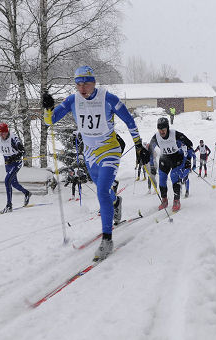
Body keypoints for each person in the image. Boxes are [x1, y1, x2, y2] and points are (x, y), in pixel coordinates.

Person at [42, 66, 149, 261]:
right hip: (90, 153)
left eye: (86, 83)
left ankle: (107, 239)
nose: (82, 88)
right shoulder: (73, 100)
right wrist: (48, 108)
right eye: (78, 84)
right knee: (104, 190)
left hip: (109, 149)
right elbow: (50, 120)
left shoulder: (108, 98)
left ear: (94, 82)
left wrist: (139, 145)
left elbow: (129, 120)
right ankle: (116, 202)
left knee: (101, 192)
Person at [147, 117, 193, 212]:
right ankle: (164, 200)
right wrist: (152, 165)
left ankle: (176, 200)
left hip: (176, 158)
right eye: (160, 130)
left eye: (163, 129)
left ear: (167, 128)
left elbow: (190, 144)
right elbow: (150, 150)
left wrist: (188, 160)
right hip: (165, 158)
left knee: (174, 177)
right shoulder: (156, 137)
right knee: (162, 179)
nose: (162, 132)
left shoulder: (175, 134)